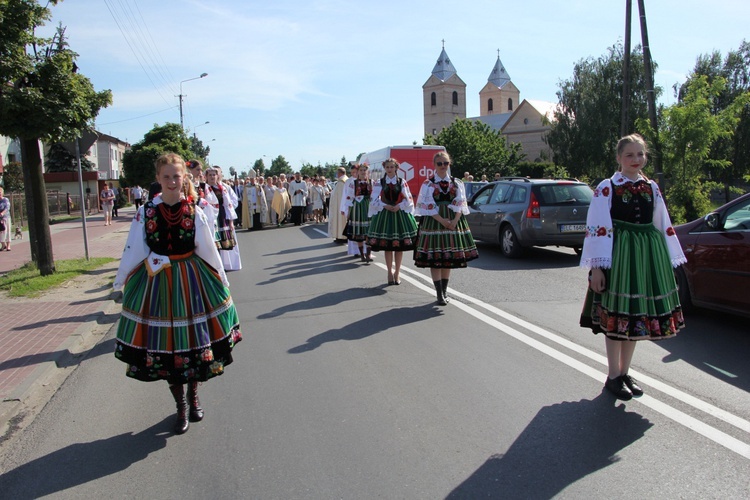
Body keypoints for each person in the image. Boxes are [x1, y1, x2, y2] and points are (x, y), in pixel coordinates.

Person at [112, 153, 242, 435]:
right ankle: (180, 405)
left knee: (193, 346)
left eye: (177, 176)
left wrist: (220, 278)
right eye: (167, 176)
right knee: (168, 349)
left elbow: (206, 246)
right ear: (158, 179)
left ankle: (193, 397)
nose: (172, 181)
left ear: (185, 178)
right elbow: (135, 247)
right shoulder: (146, 211)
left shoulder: (196, 209)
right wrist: (123, 280)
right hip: (158, 283)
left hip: (191, 280)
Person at [580, 133, 686, 400]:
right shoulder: (607, 187)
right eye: (629, 155)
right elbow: (596, 228)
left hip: (644, 259)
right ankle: (613, 375)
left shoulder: (651, 188)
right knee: (617, 318)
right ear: (618, 158)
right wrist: (597, 268)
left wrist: (667, 262)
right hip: (618, 257)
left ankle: (625, 372)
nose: (636, 159)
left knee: (636, 318)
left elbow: (663, 224)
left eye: (640, 154)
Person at [414, 151, 478, 305]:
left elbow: (461, 203)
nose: (443, 166)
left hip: (453, 221)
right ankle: (438, 294)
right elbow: (426, 205)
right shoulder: (428, 183)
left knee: (447, 257)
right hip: (434, 221)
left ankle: (444, 291)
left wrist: (455, 221)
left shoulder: (457, 183)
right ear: (434, 165)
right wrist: (443, 221)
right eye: (439, 163)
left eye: (446, 163)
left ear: (450, 164)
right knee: (436, 257)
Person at [367, 158, 419, 285]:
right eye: (387, 167)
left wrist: (399, 206)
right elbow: (373, 198)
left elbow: (409, 199)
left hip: (399, 214)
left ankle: (397, 272)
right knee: (387, 246)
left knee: (399, 247)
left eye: (392, 167)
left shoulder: (401, 182)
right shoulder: (380, 182)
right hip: (385, 214)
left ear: (396, 168)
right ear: (385, 168)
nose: (389, 169)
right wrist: (384, 205)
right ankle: (389, 272)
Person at [205, 167, 241, 271]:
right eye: (210, 175)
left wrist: (231, 222)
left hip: (222, 216)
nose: (212, 177)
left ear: (217, 176)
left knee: (223, 241)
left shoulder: (222, 188)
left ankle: (224, 265)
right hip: (209, 216)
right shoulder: (204, 188)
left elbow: (228, 204)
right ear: (206, 176)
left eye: (214, 175)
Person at [341, 163, 374, 262]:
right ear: (358, 172)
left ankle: (368, 254)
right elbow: (349, 197)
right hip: (357, 209)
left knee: (369, 232)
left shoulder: (372, 182)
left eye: (365, 170)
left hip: (368, 209)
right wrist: (347, 212)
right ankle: (362, 255)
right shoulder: (353, 183)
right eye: (361, 170)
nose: (363, 172)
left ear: (367, 172)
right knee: (359, 233)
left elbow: (375, 197)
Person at [327, 167, 349, 244]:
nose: (337, 174)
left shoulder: (341, 182)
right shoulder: (345, 180)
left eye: (337, 173)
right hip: (341, 205)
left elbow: (339, 196)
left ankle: (341, 236)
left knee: (340, 221)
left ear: (340, 173)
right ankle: (342, 236)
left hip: (339, 206)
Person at [0, 187, 11, 251]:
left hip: (6, 217)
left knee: (7, 231)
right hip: (0, 219)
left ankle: (8, 245)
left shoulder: (5, 200)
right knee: (1, 232)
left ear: (2, 193)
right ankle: (3, 245)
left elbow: (7, 207)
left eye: (0, 192)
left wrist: (2, 213)